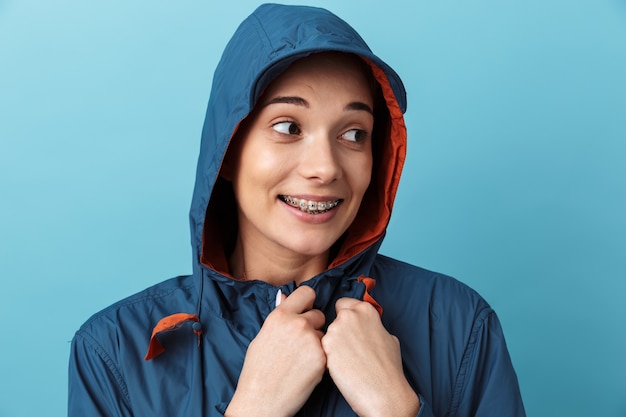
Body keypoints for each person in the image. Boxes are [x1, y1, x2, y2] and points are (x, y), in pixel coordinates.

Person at [68, 4, 526, 417]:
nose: (325, 168)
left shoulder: (459, 325)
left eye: (353, 134)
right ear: (228, 151)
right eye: (288, 127)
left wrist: (396, 410)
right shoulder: (113, 351)